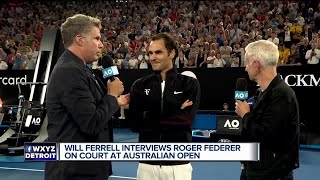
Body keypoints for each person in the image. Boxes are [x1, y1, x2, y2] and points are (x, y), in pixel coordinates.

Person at [45, 14, 129, 180]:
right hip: (75, 171)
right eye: (97, 38)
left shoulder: (80, 68)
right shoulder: (70, 71)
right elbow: (91, 123)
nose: (101, 44)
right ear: (80, 40)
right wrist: (112, 96)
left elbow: (93, 111)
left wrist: (116, 101)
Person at [129, 33, 201, 180]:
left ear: (172, 53)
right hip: (146, 164)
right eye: (150, 53)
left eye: (158, 52)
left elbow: (186, 120)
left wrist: (149, 115)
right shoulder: (139, 85)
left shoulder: (189, 83)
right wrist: (176, 110)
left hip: (178, 165)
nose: (153, 57)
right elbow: (134, 123)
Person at [235, 40, 300, 180]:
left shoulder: (282, 94)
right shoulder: (264, 92)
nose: (245, 68)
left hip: (271, 174)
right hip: (255, 170)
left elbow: (266, 135)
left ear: (256, 64)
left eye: (247, 63)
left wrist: (246, 115)